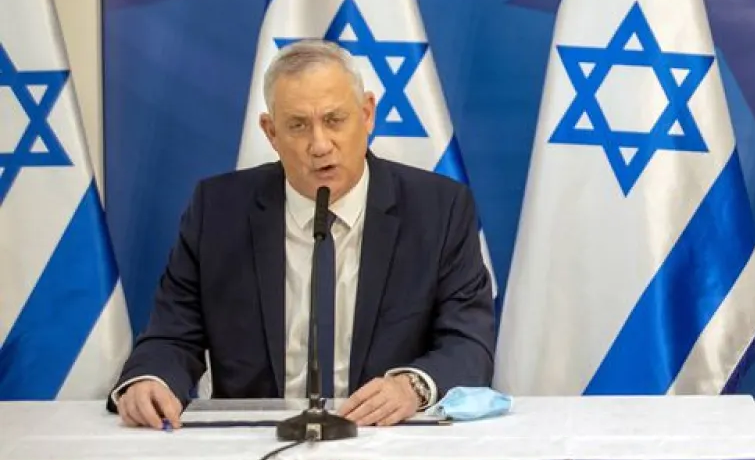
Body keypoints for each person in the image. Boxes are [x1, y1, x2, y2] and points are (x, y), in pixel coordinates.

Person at [111, 40, 494, 428]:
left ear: (367, 115)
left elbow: (469, 344)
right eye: (297, 126)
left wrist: (411, 387)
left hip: (385, 437)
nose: (320, 145)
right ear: (271, 132)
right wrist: (150, 381)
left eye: (334, 120)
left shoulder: (438, 210)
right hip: (255, 443)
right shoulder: (219, 211)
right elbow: (171, 336)